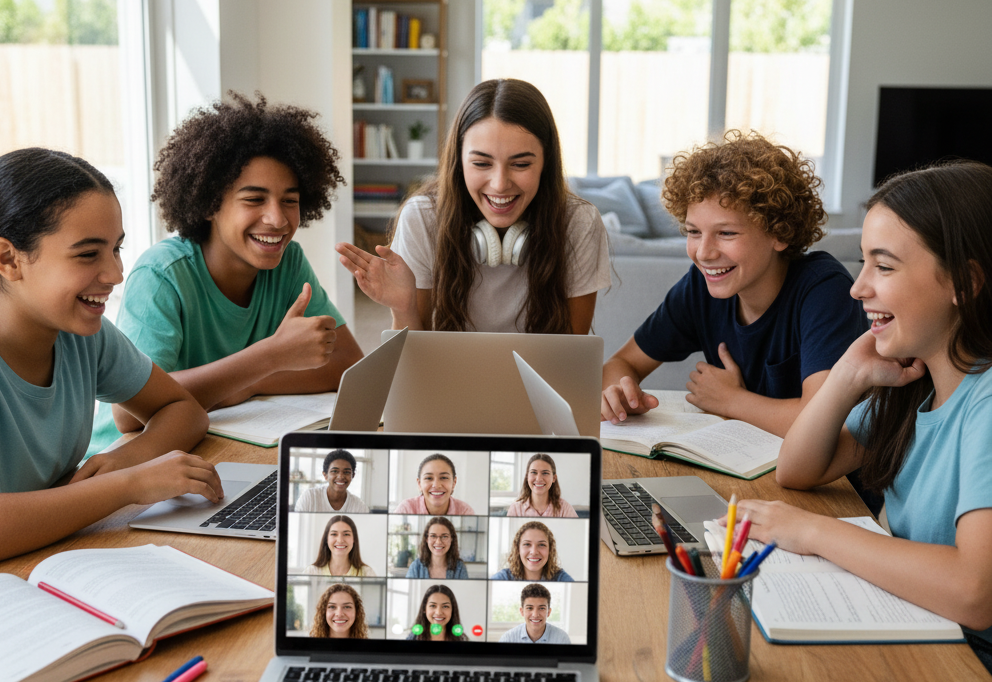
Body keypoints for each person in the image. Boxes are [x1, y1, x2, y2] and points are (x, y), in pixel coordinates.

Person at [741, 162, 992, 674]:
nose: (857, 288)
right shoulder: (914, 386)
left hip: (970, 673)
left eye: (884, 266)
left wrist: (812, 533)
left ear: (964, 283)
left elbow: (974, 592)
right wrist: (846, 377)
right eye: (862, 263)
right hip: (923, 633)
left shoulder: (985, 403)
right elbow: (798, 471)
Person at [0, 148, 222, 569]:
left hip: (50, 554)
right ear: (8, 259)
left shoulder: (81, 332)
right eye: (88, 254)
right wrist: (128, 485)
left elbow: (183, 410)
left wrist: (124, 460)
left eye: (116, 249)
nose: (115, 274)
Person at [89, 91, 364, 456]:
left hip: (210, 445)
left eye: (290, 200)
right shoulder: (163, 274)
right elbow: (128, 413)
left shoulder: (288, 262)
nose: (278, 219)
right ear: (209, 205)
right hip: (125, 463)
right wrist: (269, 358)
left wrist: (246, 385)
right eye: (254, 199)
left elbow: (348, 368)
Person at [601, 131, 868, 436]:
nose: (703, 253)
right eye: (693, 231)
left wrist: (732, 401)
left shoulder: (824, 289)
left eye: (726, 233)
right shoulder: (701, 287)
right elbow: (621, 362)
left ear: (779, 233)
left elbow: (823, 422)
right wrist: (620, 394)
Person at [336, 78, 610, 334]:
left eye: (521, 164)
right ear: (459, 162)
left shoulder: (578, 222)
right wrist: (402, 307)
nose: (500, 184)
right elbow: (410, 363)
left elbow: (573, 355)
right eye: (481, 163)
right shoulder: (422, 218)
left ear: (546, 163)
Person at [394, 453, 476, 516]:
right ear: (419, 484)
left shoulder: (465, 511)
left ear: (454, 482)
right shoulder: (406, 508)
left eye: (444, 478)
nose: (436, 485)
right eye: (429, 478)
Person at [492, 521, 574, 581]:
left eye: (541, 545)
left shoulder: (561, 578)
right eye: (527, 544)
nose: (534, 552)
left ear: (550, 550)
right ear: (517, 549)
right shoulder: (504, 577)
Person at [294, 448, 370, 513]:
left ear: (352, 476)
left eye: (346, 472)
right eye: (334, 471)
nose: (340, 476)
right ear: (325, 475)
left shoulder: (360, 507)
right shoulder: (309, 497)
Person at [507, 453, 578, 518]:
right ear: (527, 477)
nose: (538, 479)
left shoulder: (565, 509)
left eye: (545, 473)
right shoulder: (515, 509)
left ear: (554, 478)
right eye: (534, 472)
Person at [304, 515, 377, 577]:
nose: (340, 540)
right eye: (334, 534)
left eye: (346, 534)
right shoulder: (311, 572)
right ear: (326, 539)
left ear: (354, 539)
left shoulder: (367, 573)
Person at [499, 583, 571, 644]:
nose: (535, 615)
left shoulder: (562, 639)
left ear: (548, 612)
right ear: (522, 611)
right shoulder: (507, 639)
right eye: (530, 608)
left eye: (542, 608)